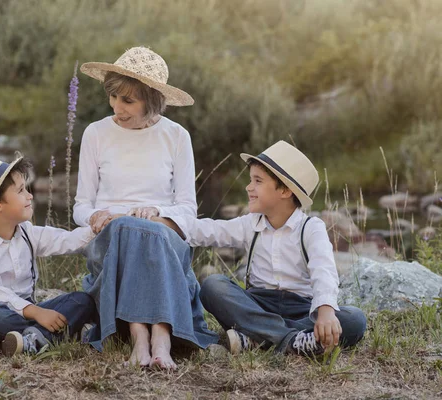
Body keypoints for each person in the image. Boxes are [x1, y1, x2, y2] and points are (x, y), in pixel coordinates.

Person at [74, 46, 218, 370]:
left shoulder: (177, 136)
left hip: (162, 234)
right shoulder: (95, 134)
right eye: (113, 97)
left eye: (128, 100)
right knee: (127, 228)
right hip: (113, 240)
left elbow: (186, 208)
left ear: (152, 101)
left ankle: (151, 338)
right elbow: (81, 205)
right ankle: (150, 337)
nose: (116, 107)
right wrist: (95, 215)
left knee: (146, 231)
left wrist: (157, 214)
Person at [167, 141, 367, 356]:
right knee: (213, 285)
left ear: (285, 190)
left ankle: (257, 338)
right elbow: (207, 230)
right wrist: (164, 221)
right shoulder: (249, 224)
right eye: (250, 180)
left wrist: (325, 310)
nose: (248, 187)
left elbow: (323, 270)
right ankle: (292, 340)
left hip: (301, 309)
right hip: (257, 305)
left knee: (354, 319)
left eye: (258, 181)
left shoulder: (311, 228)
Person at [0, 153, 97, 356]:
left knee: (81, 300)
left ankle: (31, 340)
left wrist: (99, 225)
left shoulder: (27, 232)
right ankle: (56, 334)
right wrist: (38, 313)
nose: (30, 196)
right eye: (21, 190)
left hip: (31, 312)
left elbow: (67, 240)